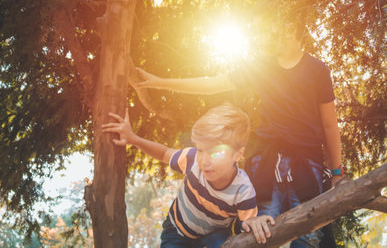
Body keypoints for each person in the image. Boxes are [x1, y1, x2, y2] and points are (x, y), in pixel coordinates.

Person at [134, 0, 343, 247]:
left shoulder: (318, 70)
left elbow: (329, 124)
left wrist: (336, 172)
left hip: (306, 172)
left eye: (265, 28)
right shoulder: (260, 67)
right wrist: (160, 82)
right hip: (265, 169)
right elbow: (213, 83)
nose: (258, 36)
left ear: (289, 28)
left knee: (310, 239)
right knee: (261, 236)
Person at [102, 103, 275, 247]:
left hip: (213, 235)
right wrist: (134, 139)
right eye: (201, 149)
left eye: (216, 153)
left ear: (237, 154)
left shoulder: (243, 191)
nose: (204, 160)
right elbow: (164, 154)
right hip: (177, 231)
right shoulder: (191, 160)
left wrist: (254, 221)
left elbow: (248, 224)